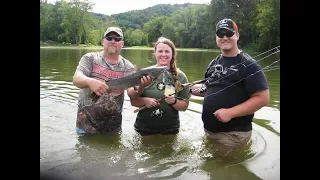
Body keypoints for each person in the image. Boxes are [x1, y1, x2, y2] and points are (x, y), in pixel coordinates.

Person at [190, 18, 270, 148]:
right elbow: (208, 89)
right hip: (210, 131)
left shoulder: (249, 64)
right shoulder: (213, 63)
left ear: (237, 36)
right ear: (216, 37)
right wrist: (188, 89)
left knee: (220, 167)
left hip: (233, 135)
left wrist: (230, 113)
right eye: (220, 34)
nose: (224, 37)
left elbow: (263, 98)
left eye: (229, 33)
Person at [72, 26, 152, 135]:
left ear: (122, 44)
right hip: (86, 124)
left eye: (117, 39)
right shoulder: (90, 58)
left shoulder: (127, 66)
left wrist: (142, 85)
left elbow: (132, 94)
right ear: (103, 41)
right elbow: (76, 79)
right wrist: (90, 82)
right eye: (109, 38)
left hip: (112, 126)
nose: (113, 41)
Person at [127, 37, 191, 136]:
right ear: (155, 53)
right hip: (144, 128)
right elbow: (133, 101)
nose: (163, 54)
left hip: (171, 129)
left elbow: (184, 106)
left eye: (167, 51)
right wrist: (144, 97)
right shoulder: (144, 74)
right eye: (160, 51)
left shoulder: (180, 76)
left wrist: (174, 101)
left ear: (172, 54)